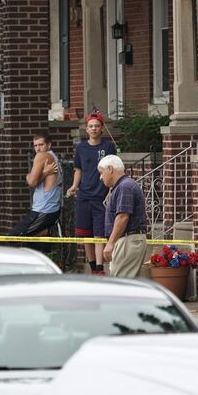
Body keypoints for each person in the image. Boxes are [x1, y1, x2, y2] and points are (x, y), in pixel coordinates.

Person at [66, 111, 117, 275]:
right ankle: (93, 267)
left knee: (99, 234)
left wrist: (110, 190)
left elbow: (113, 170)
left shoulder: (108, 147)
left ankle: (100, 269)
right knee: (85, 234)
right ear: (86, 129)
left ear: (102, 128)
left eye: (97, 126)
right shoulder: (81, 148)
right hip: (84, 196)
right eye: (91, 126)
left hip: (100, 196)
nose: (94, 129)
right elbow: (78, 170)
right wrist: (74, 186)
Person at [99, 154, 148, 278]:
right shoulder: (122, 186)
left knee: (121, 284)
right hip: (127, 240)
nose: (101, 177)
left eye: (101, 172)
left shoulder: (125, 186)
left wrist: (110, 243)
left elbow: (122, 217)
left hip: (127, 240)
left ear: (110, 169)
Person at [9, 133, 62, 239]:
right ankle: (46, 232)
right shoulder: (53, 157)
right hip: (50, 208)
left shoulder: (42, 156)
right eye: (35, 145)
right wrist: (44, 173)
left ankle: (50, 231)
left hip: (44, 209)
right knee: (33, 244)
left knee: (14, 237)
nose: (38, 149)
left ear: (49, 145)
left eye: (41, 145)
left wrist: (31, 176)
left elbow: (31, 182)